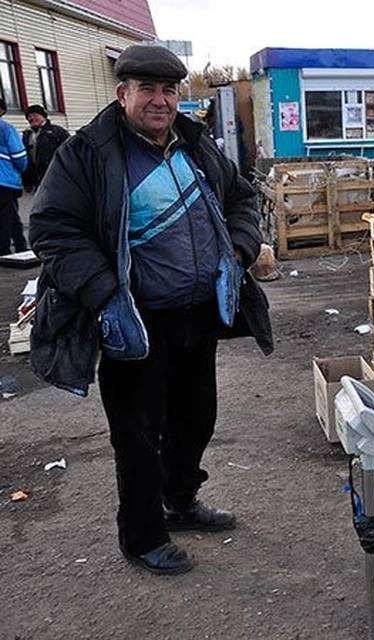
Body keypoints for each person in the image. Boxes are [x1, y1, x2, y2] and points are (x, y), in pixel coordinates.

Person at [29, 45, 273, 575]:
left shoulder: (195, 144)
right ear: (123, 94)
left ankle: (179, 500)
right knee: (138, 436)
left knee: (197, 419)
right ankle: (141, 537)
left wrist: (237, 251)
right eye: (148, 90)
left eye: (169, 91)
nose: (160, 101)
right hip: (133, 321)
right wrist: (102, 293)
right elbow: (51, 229)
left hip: (198, 314)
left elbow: (241, 199)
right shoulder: (88, 153)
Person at [0, 96, 28, 254]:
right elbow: (19, 156)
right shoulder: (6, 129)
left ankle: (20, 246)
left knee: (10, 216)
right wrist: (21, 170)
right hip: (5, 181)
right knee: (7, 217)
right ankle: (5, 250)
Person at [21, 104, 70, 192]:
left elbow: (70, 153)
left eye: (35, 115)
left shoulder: (57, 132)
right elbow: (26, 159)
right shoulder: (27, 135)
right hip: (38, 181)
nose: (32, 118)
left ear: (43, 116)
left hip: (57, 178)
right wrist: (27, 181)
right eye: (29, 116)